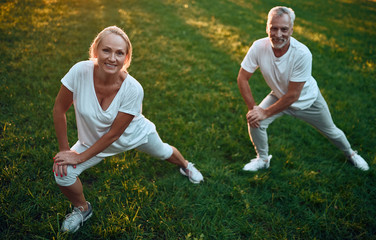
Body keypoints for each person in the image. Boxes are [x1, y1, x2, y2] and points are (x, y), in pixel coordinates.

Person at [52, 26, 204, 233]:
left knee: (164, 152)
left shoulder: (133, 89)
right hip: (92, 140)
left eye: (119, 53)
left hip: (134, 135)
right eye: (106, 50)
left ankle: (186, 165)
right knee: (62, 172)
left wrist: (80, 157)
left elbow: (114, 134)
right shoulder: (79, 71)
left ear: (126, 58)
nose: (112, 58)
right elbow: (59, 109)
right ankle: (82, 208)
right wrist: (65, 151)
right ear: (95, 51)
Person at [237, 6, 369, 172]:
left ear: (291, 30)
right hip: (279, 96)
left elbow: (293, 95)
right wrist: (254, 110)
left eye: (284, 29)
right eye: (274, 28)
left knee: (332, 132)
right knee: (255, 122)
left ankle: (351, 154)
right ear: (267, 28)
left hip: (308, 100)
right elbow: (242, 77)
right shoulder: (258, 47)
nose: (278, 34)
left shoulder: (302, 53)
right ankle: (263, 159)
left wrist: (265, 112)